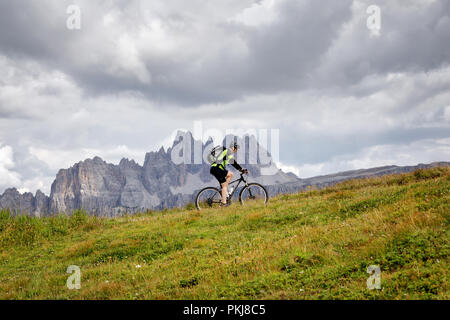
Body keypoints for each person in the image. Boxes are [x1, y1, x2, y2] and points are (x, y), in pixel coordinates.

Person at [210, 142, 248, 207]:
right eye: (236, 149)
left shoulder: (225, 152)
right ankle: (223, 203)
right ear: (234, 148)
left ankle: (225, 192)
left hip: (215, 169)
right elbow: (234, 163)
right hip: (218, 169)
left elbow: (233, 163)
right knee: (225, 185)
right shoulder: (228, 152)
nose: (236, 151)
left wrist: (240, 169)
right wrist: (242, 169)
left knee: (230, 174)